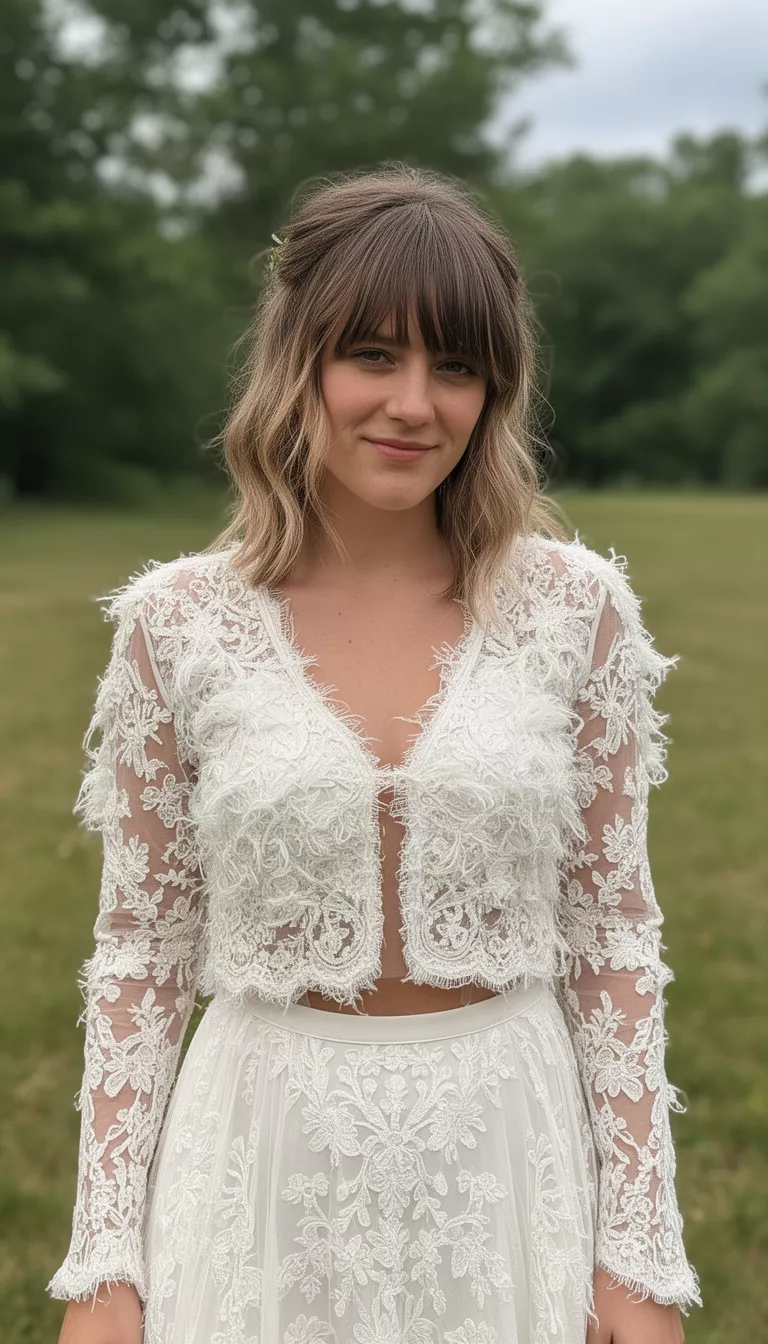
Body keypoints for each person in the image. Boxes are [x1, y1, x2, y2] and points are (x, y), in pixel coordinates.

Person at [48, 164, 702, 1343]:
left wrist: (642, 1252)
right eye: (373, 356)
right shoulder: (177, 624)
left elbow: (613, 935)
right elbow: (142, 952)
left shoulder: (576, 611)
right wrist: (104, 1259)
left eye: (456, 367)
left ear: (495, 393)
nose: (414, 403)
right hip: (256, 1159)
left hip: (505, 1153)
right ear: (298, 363)